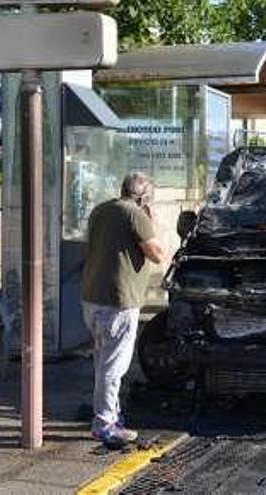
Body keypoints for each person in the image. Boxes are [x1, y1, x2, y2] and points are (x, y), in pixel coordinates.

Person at [81, 172, 166, 447]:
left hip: (92, 297)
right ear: (143, 196)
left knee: (102, 362)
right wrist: (151, 219)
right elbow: (156, 254)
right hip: (119, 300)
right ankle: (105, 424)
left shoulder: (100, 210)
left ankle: (110, 416)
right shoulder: (135, 213)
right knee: (113, 366)